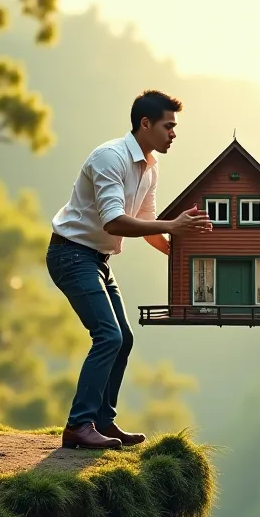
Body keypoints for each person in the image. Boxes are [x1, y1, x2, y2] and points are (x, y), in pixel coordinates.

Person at [47, 90, 212, 450]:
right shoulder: (110, 158)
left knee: (124, 338)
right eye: (169, 126)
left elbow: (146, 222)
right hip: (71, 255)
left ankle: (103, 421)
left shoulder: (150, 168)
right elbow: (115, 223)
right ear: (145, 124)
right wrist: (173, 226)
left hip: (97, 260)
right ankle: (79, 425)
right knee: (109, 337)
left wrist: (179, 254)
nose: (173, 134)